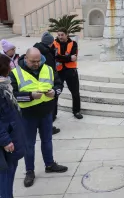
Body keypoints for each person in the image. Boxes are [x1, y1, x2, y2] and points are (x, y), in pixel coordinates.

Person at [9, 48, 68, 188]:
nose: (36, 64)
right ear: (26, 59)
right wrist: (30, 96)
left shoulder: (47, 68)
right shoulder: (15, 73)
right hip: (27, 115)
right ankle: (30, 171)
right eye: (33, 62)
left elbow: (59, 85)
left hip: (46, 113)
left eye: (38, 61)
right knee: (29, 144)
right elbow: (13, 96)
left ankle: (50, 164)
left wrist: (54, 92)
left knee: (47, 140)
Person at [0, 54, 25, 198]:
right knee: (5, 174)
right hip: (6, 140)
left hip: (11, 134)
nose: (10, 68)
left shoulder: (4, 84)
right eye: (8, 65)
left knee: (10, 170)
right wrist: (5, 140)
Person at [34, 32, 61, 135]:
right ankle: (49, 127)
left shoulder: (36, 49)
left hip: (37, 84)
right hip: (47, 84)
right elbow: (51, 70)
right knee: (50, 106)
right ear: (50, 43)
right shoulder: (47, 54)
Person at [53, 28, 83, 119]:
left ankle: (76, 111)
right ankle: (53, 114)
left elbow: (74, 57)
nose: (60, 37)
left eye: (62, 35)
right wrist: (68, 58)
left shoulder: (73, 44)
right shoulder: (54, 44)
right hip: (58, 71)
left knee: (75, 92)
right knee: (56, 92)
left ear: (67, 34)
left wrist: (61, 57)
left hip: (71, 71)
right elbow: (55, 57)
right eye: (59, 35)